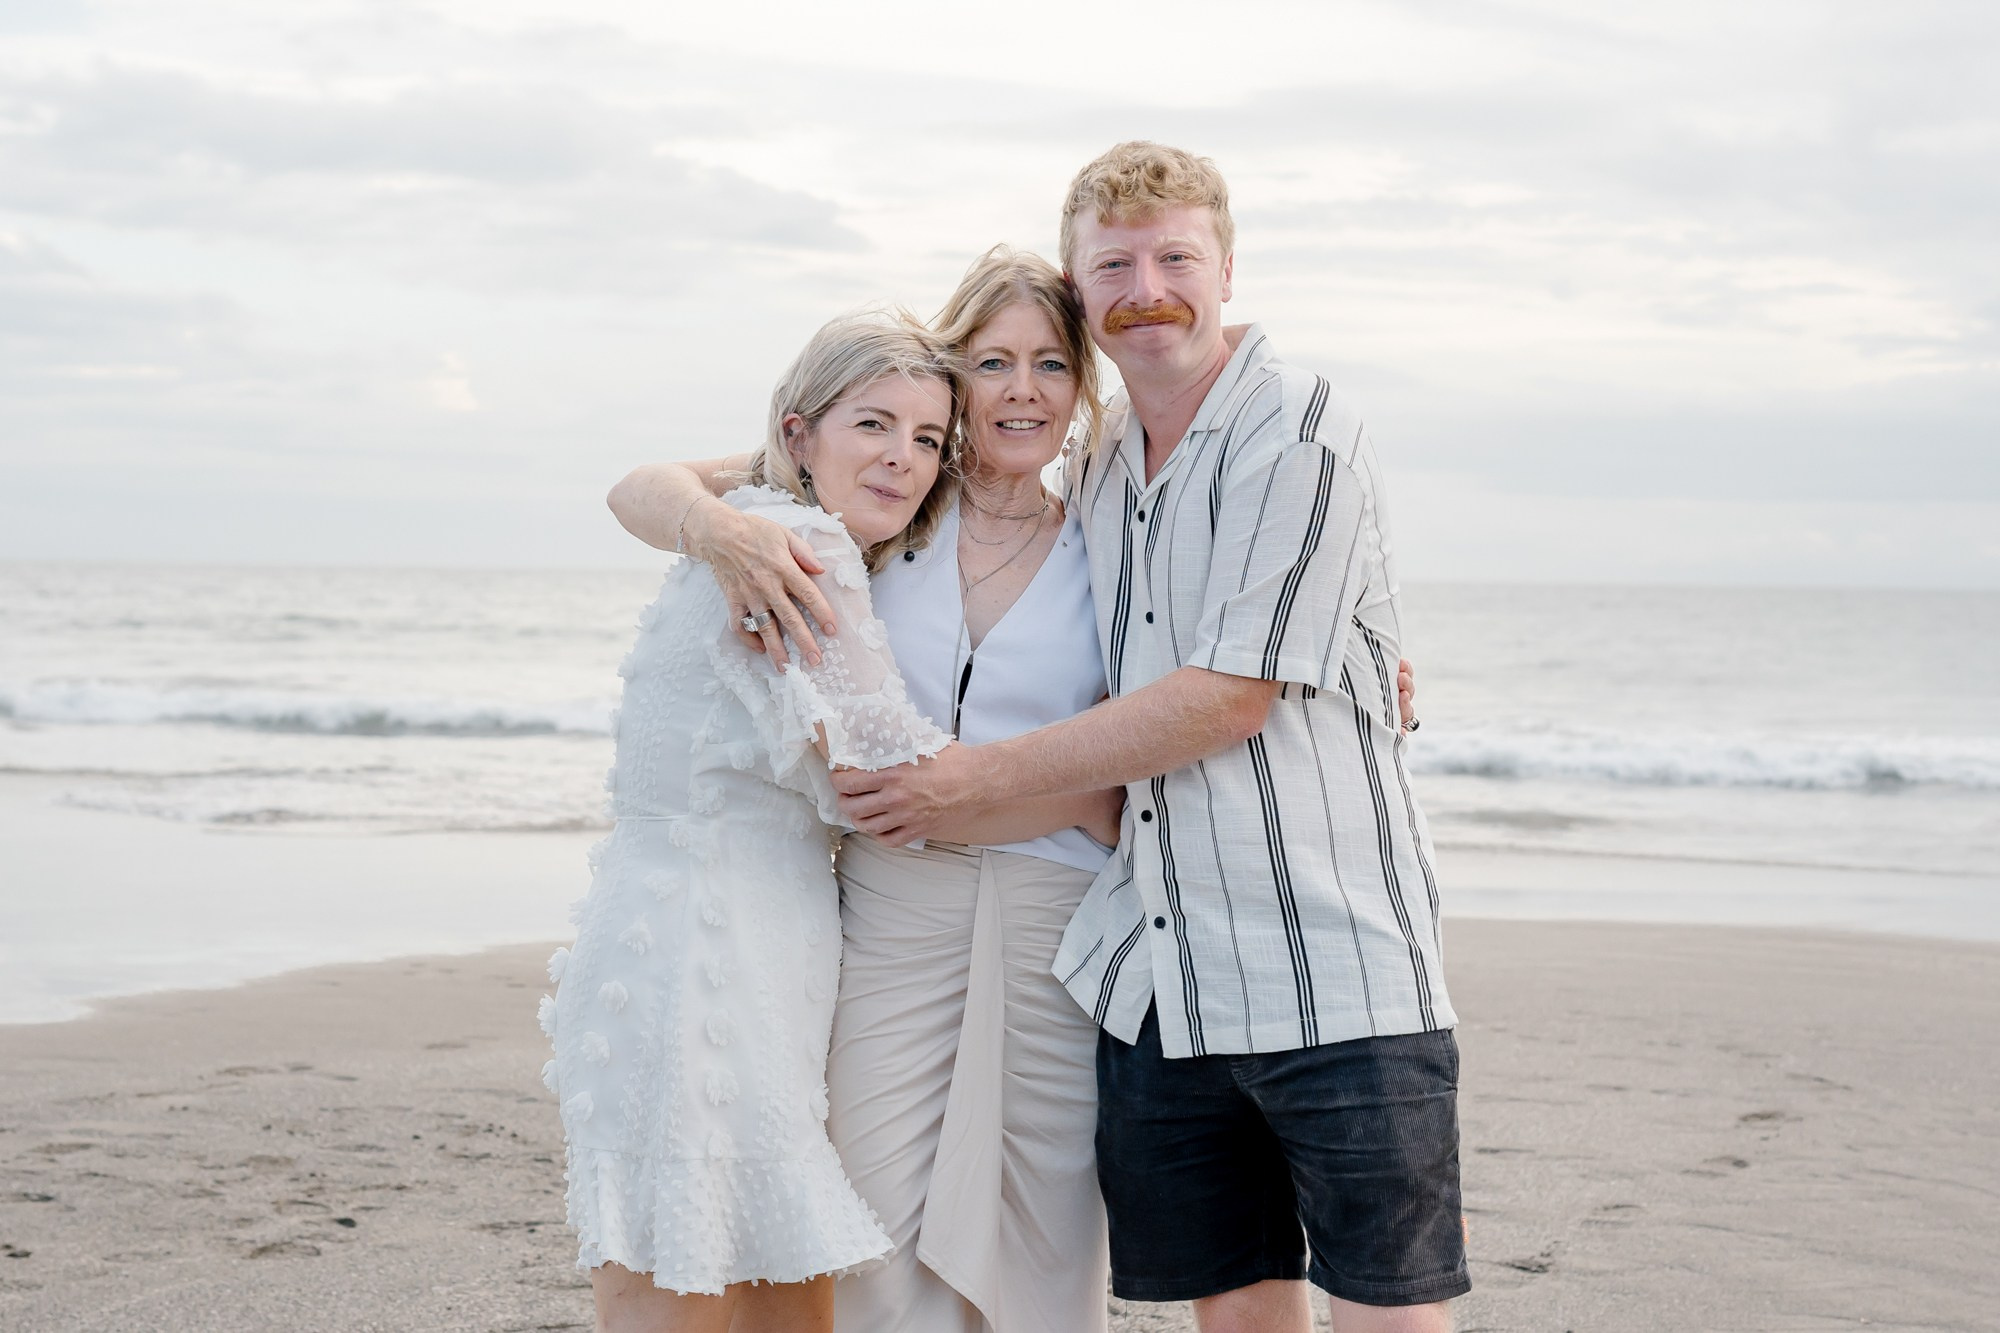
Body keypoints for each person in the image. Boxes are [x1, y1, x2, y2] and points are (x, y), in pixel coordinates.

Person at [831, 143, 1466, 1333]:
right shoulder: (1111, 456)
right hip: (1159, 969)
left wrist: (974, 780)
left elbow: (1226, 695)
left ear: (1227, 266)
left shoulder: (1298, 431)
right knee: (1232, 1310)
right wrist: (705, 514)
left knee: (1386, 1310)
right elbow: (819, 450)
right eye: (1113, 264)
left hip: (1328, 957)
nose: (1147, 285)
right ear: (1083, 292)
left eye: (1175, 256)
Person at [541, 311, 1117, 1333]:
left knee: (752, 1251)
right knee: (693, 1265)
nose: (902, 459)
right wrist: (1095, 796)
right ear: (800, 432)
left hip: (715, 933)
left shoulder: (762, 520)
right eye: (874, 427)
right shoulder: (802, 547)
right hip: (711, 952)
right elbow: (887, 781)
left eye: (928, 440)